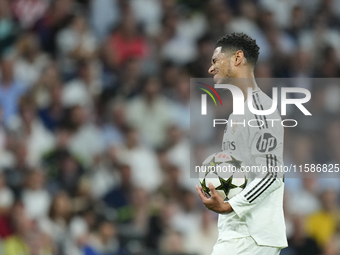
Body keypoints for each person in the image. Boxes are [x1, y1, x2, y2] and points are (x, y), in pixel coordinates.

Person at [196, 33, 287, 255]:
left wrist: (229, 206)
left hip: (251, 234)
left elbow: (272, 174)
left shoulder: (260, 109)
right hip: (239, 233)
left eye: (216, 61)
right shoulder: (238, 113)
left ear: (237, 58)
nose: (211, 69)